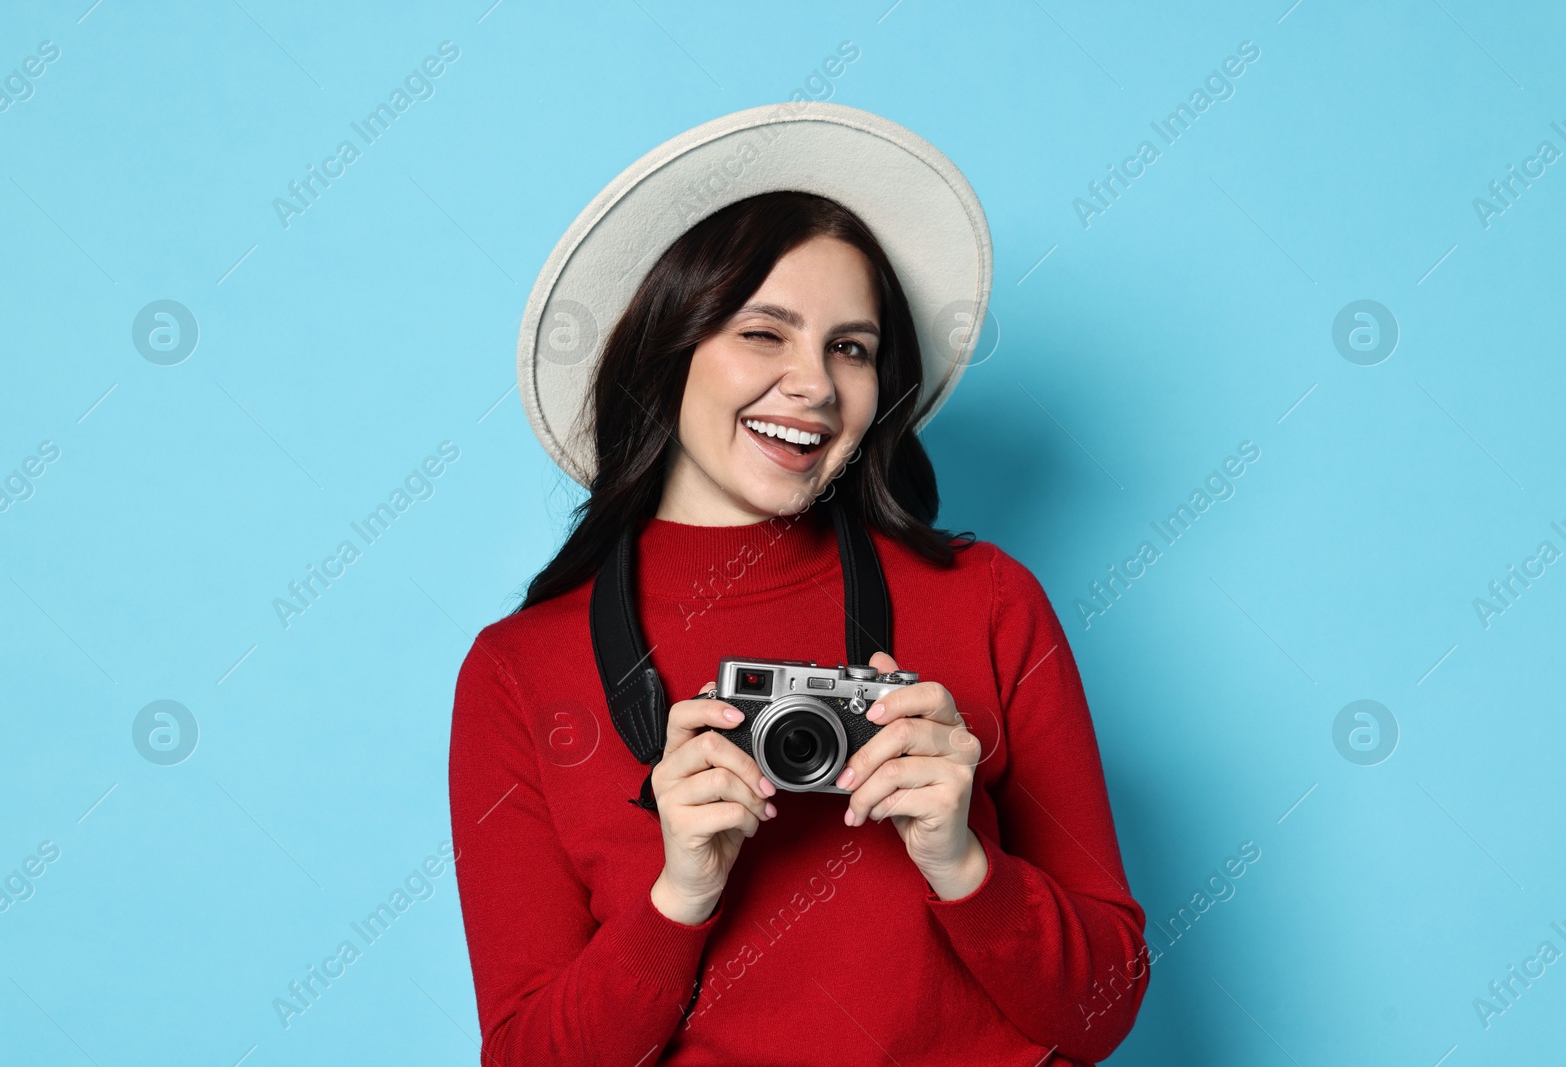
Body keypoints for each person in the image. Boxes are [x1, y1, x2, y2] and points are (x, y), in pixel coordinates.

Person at [450, 105, 1148, 1066]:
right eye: (763, 333)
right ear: (669, 346)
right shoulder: (519, 671)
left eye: (850, 348)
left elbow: (1105, 1007)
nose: (814, 385)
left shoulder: (987, 600)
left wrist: (966, 865)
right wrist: (677, 897)